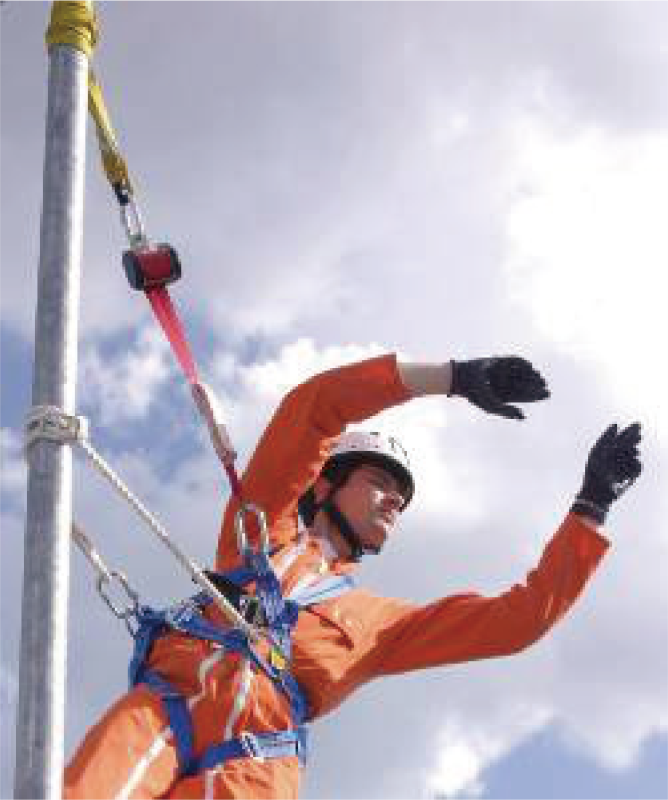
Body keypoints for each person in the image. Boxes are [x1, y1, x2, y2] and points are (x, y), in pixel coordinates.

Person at [64, 353, 642, 799]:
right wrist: (453, 377)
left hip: (256, 763)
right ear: (325, 486)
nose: (394, 502)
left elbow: (516, 621)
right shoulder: (258, 527)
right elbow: (315, 406)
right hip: (166, 708)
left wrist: (590, 508)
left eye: (402, 500)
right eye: (379, 483)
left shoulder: (380, 625)